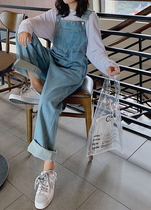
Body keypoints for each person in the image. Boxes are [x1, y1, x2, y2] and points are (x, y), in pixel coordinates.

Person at [9, 0, 120, 209]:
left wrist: (108, 66)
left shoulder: (88, 17)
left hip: (73, 69)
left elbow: (95, 51)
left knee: (49, 101)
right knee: (22, 31)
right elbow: (30, 23)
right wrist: (24, 28)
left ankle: (48, 171)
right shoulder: (55, 14)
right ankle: (35, 82)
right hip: (52, 61)